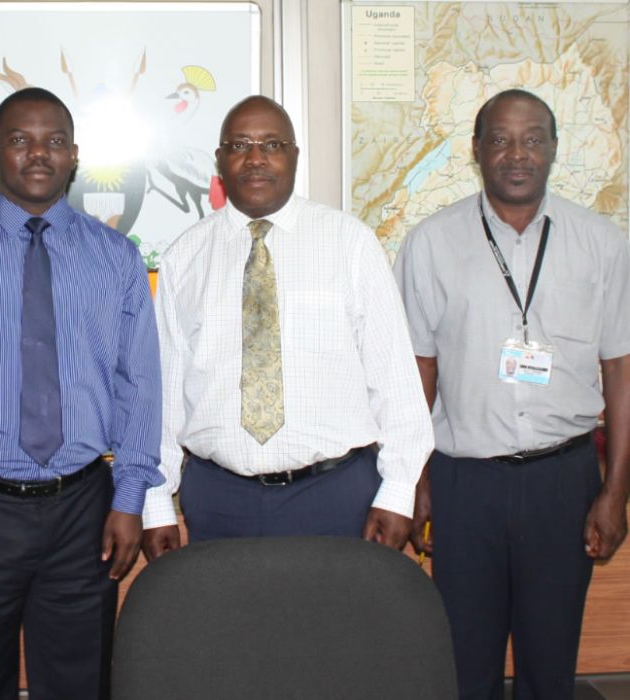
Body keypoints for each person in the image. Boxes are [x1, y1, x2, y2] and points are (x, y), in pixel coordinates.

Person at [394, 89, 630, 700]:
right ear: (476, 150)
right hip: (464, 484)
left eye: (532, 139)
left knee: (549, 670)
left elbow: (620, 370)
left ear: (553, 148)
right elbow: (418, 369)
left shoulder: (602, 243)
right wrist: (414, 478)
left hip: (564, 482)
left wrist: (615, 489)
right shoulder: (431, 243)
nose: (516, 154)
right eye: (500, 139)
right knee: (464, 666)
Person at [0, 87, 162, 700]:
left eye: (54, 141)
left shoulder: (116, 258)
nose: (38, 153)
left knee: (80, 681)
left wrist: (129, 498)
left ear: (75, 156)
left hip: (85, 510)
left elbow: (139, 385)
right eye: (20, 140)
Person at [141, 95, 433, 557]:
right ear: (219, 160)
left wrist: (398, 491)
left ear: (294, 156)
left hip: (335, 496)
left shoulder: (350, 244)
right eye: (239, 145)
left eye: (272, 144)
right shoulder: (186, 258)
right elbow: (163, 395)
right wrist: (156, 501)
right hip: (219, 501)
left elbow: (395, 380)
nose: (255, 158)